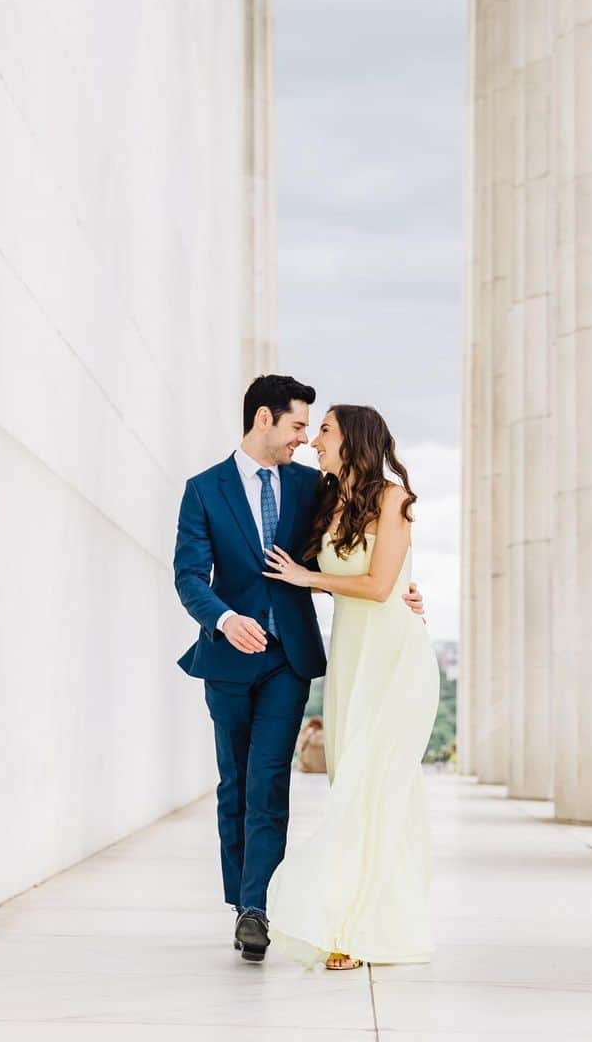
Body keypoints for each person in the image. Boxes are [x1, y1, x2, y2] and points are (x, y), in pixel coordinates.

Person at [173, 377, 424, 964]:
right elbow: (188, 574)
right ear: (265, 419)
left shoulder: (316, 486)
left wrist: (404, 593)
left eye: (314, 429)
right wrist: (223, 618)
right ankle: (242, 902)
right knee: (234, 783)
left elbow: (363, 543)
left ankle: (258, 909)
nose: (305, 438)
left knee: (269, 781)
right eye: (296, 426)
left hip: (290, 658)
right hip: (228, 656)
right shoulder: (204, 490)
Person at [262, 404, 439, 970]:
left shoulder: (393, 499)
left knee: (378, 788)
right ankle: (351, 919)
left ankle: (360, 931)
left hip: (395, 659)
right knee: (349, 783)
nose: (314, 439)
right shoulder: (329, 498)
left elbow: (380, 583)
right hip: (351, 658)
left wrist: (308, 576)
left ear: (354, 438)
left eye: (326, 430)